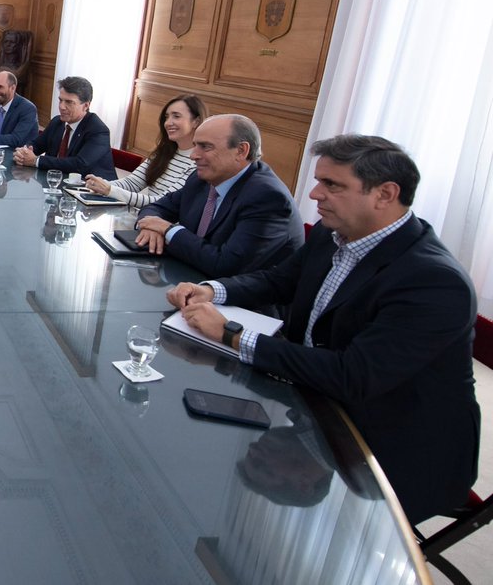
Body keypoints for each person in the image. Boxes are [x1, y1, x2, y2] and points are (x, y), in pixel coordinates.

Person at [167, 135, 479, 523]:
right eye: (319, 181)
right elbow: (279, 280)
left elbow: (352, 376)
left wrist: (231, 334)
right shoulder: (336, 236)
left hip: (391, 450)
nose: (314, 193)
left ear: (385, 194)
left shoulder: (432, 281)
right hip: (315, 407)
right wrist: (212, 289)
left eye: (332, 185)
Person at [134, 114, 303, 278]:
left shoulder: (268, 198)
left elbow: (225, 266)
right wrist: (151, 228)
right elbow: (156, 208)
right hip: (189, 277)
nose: (193, 155)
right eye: (195, 145)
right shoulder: (201, 179)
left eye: (205, 146)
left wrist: (169, 230)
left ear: (241, 151)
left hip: (244, 302)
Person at [85, 94, 206, 208]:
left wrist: (109, 190)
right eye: (167, 117)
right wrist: (99, 184)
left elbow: (163, 202)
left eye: (176, 116)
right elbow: (131, 184)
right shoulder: (163, 152)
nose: (168, 123)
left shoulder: (198, 162)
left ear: (196, 121)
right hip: (146, 218)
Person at [12, 76, 115, 179]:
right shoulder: (57, 122)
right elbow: (37, 145)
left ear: (86, 106)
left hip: (92, 190)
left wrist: (36, 161)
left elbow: (79, 165)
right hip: (57, 183)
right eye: (60, 100)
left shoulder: (98, 130)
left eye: (69, 102)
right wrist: (24, 152)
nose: (61, 106)